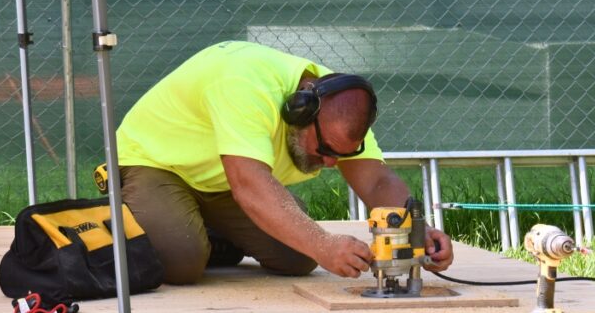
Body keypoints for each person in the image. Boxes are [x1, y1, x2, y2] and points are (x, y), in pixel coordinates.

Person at [115, 40, 454, 284]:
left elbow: (376, 181)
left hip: (223, 177)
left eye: (342, 154)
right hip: (154, 161)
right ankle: (175, 226)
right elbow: (248, 184)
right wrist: (323, 243)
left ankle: (205, 227)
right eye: (324, 149)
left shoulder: (341, 108)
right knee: (182, 262)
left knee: (299, 258)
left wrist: (416, 233)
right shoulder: (244, 83)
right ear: (298, 112)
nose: (331, 163)